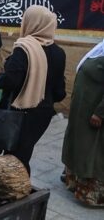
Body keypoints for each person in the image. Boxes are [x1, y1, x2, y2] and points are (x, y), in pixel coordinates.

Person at [0, 5, 66, 174]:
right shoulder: (59, 53)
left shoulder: (23, 48)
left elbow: (11, 81)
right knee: (22, 154)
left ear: (29, 23)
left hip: (21, 114)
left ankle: (18, 192)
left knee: (15, 159)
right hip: (43, 113)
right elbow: (60, 92)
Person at [61, 40, 104, 206]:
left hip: (94, 113)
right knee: (80, 146)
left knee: (92, 152)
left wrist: (100, 113)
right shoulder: (100, 48)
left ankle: (94, 194)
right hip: (84, 109)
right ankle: (75, 181)